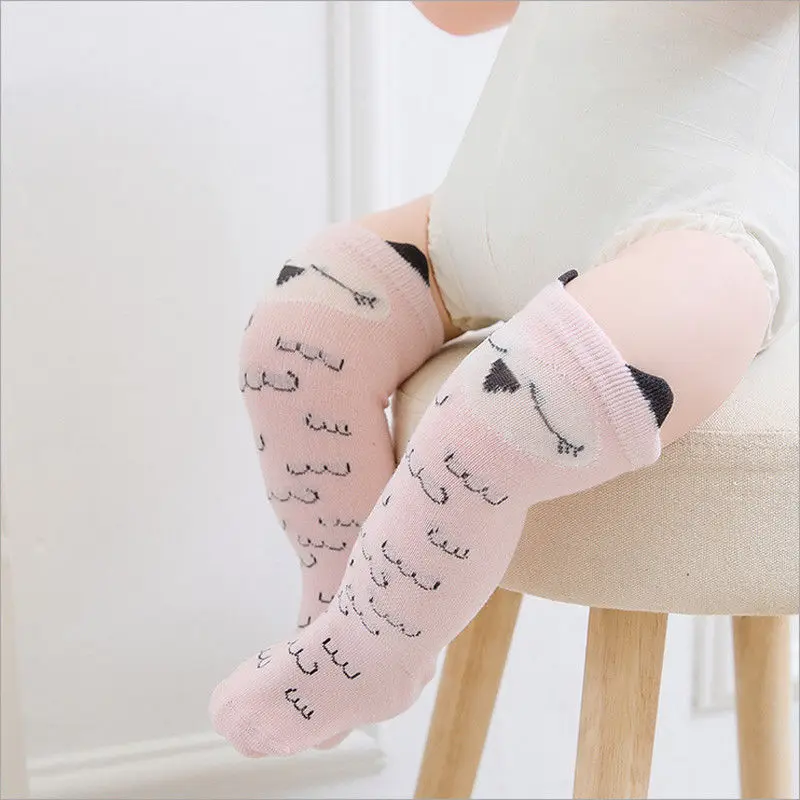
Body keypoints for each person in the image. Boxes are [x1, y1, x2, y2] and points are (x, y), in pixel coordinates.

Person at [211, 0, 798, 756]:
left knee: (506, 413)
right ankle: (335, 599)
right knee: (296, 341)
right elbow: (461, 13)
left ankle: (371, 651)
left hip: (695, 230)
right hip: (486, 219)